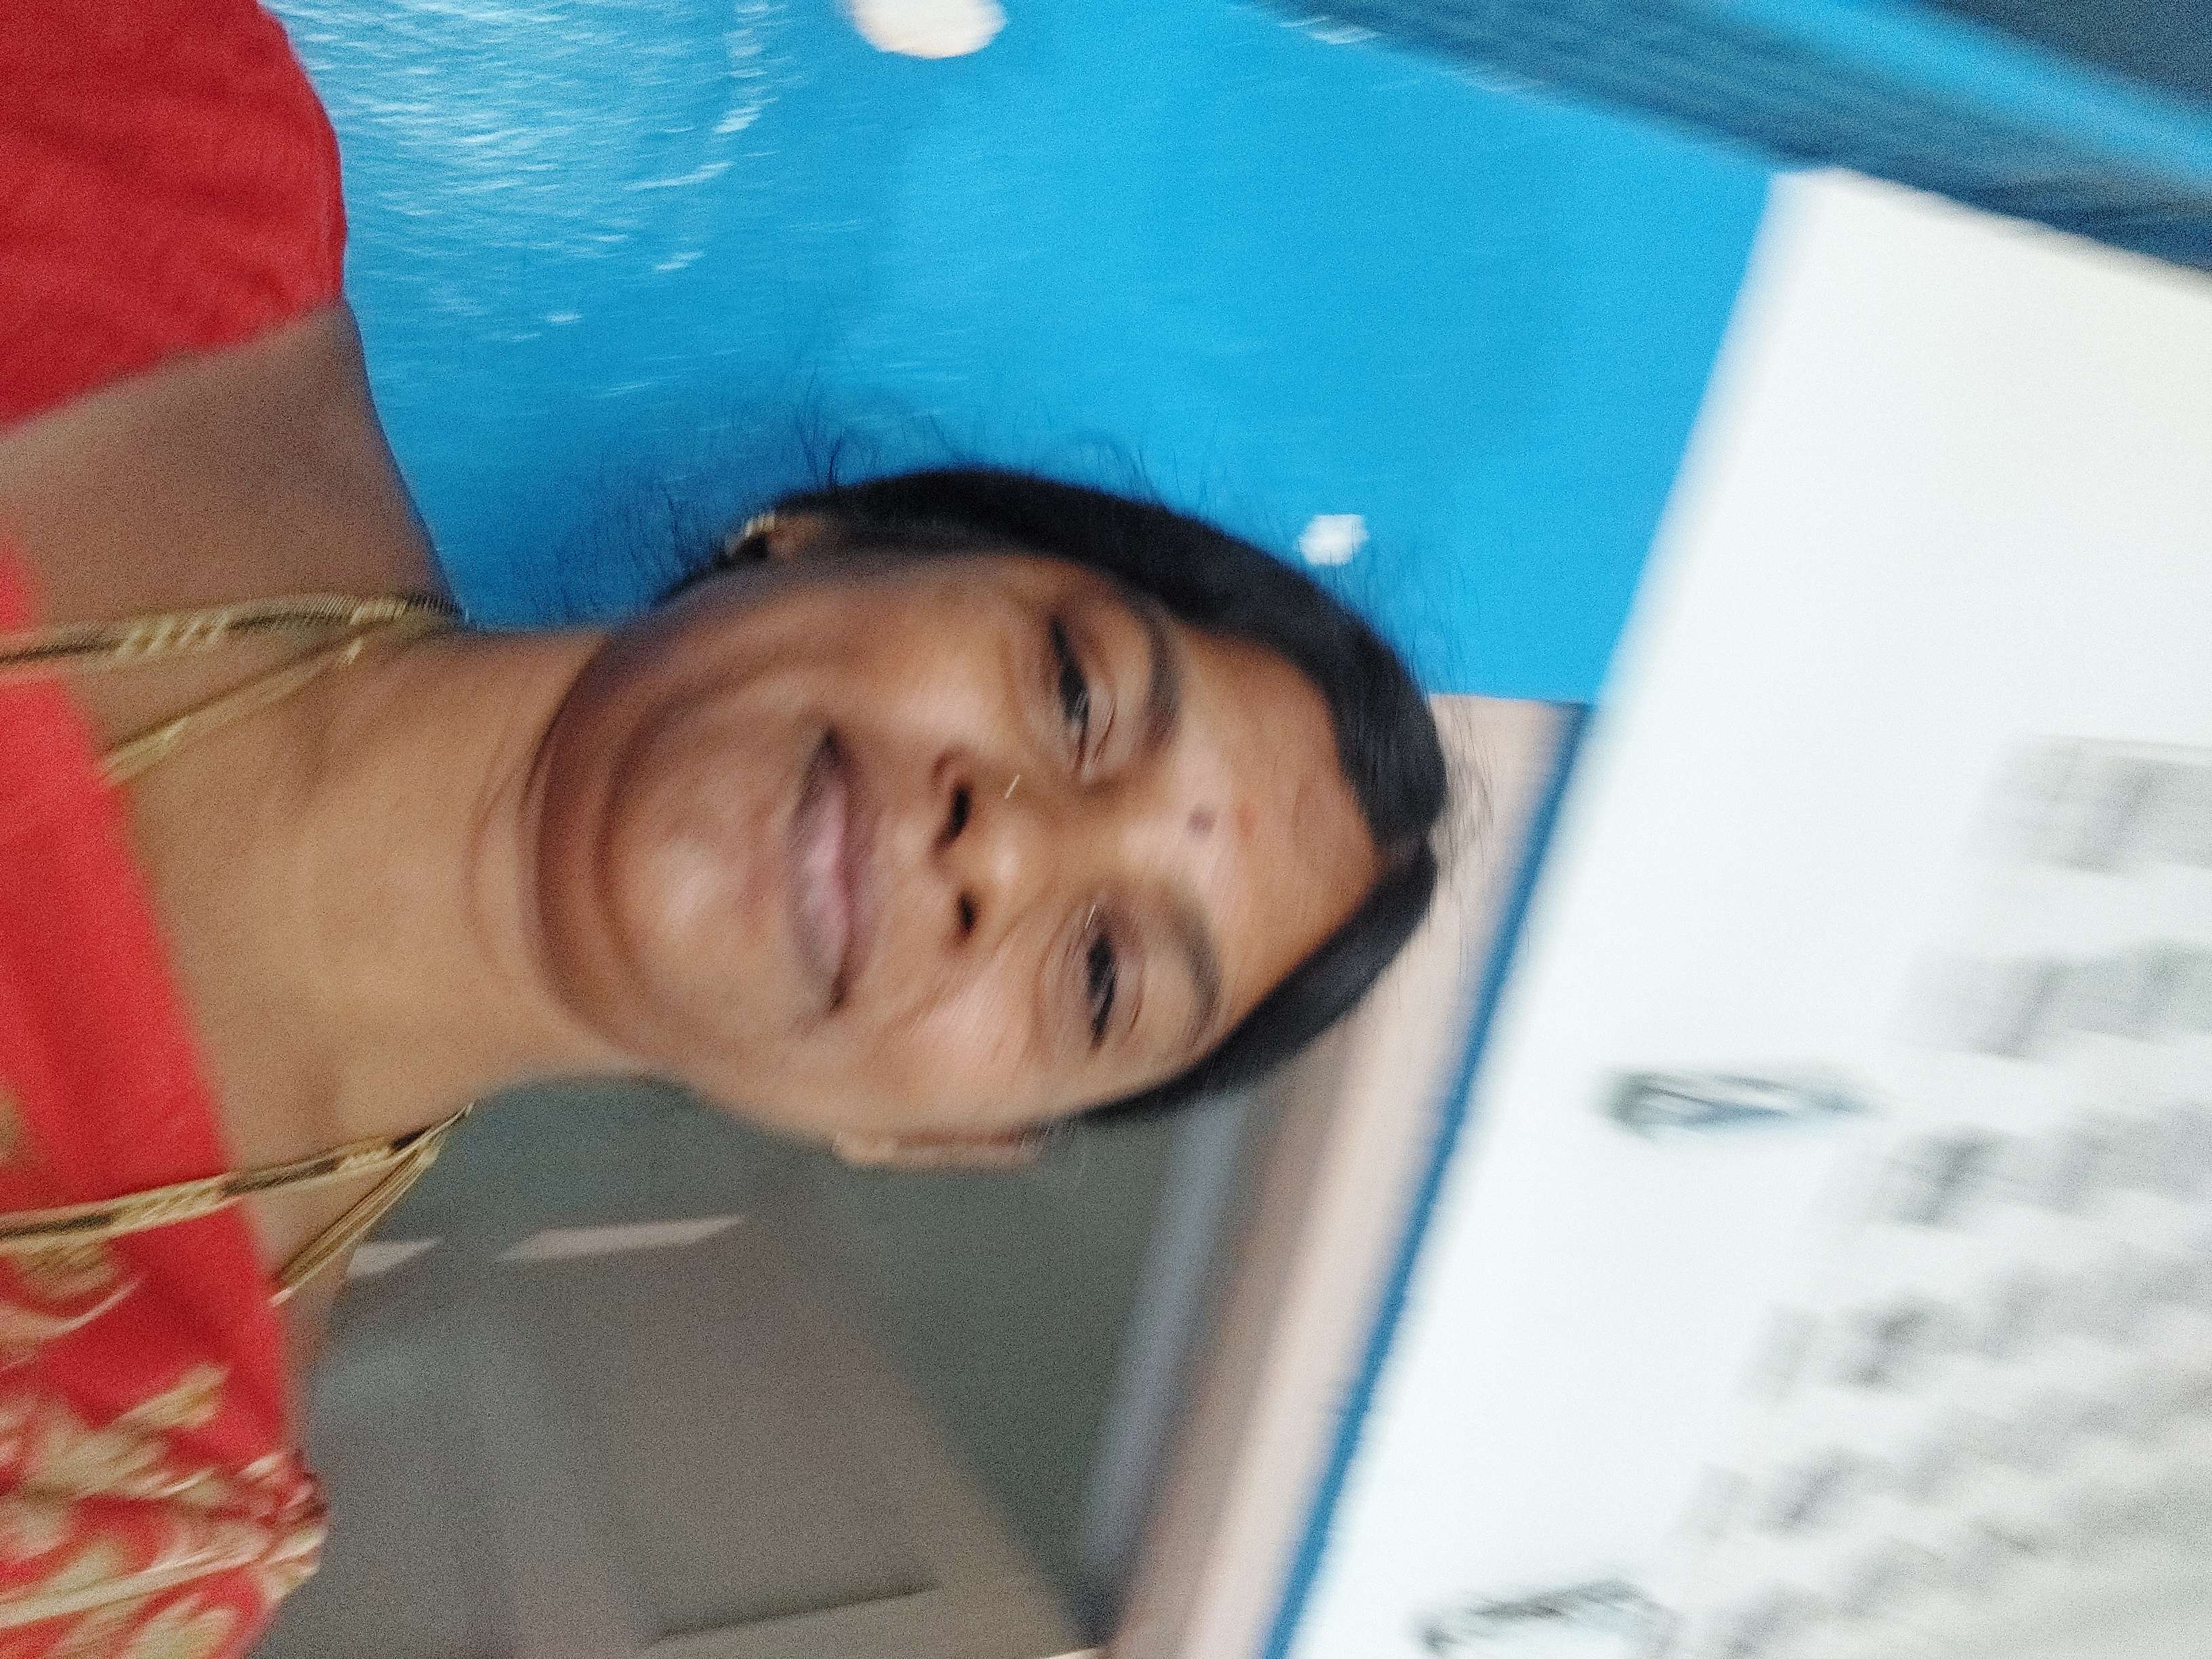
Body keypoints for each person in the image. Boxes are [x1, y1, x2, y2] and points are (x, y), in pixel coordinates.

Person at [0, 0, 1449, 1650]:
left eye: (1103, 973)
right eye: (1073, 693)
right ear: (825, 539)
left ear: (932, 1141)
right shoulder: (150, 132)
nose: (1003, 852)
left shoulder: (120, 1523)